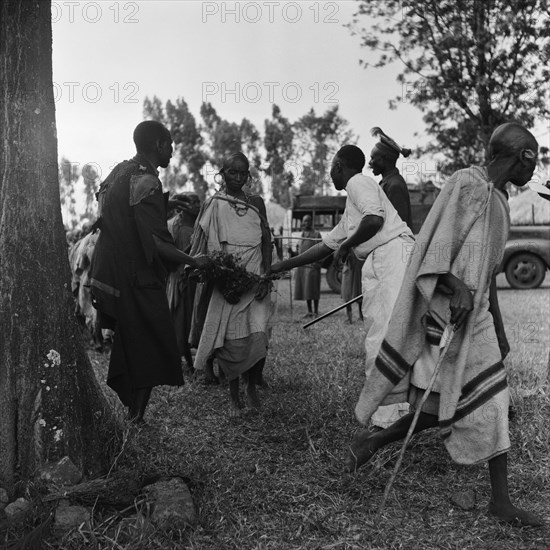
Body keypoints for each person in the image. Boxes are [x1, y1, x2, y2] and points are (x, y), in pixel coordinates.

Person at [348, 122, 542, 527]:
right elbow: (430, 248)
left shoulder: (500, 200)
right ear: (523, 155)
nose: (534, 171)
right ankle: (376, 439)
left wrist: (499, 329)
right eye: (535, 160)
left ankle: (499, 501)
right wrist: (455, 287)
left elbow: (486, 274)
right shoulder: (465, 184)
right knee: (443, 405)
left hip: (479, 317)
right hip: (447, 313)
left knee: (486, 401)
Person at [271, 145, 413, 429]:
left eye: (331, 168)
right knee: (383, 333)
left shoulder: (358, 182)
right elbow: (326, 245)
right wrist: (284, 266)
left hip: (392, 257)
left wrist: (347, 247)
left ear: (338, 166)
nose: (331, 174)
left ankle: (388, 417)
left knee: (385, 336)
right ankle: (395, 410)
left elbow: (375, 220)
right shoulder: (352, 204)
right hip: (382, 260)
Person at [89, 121, 209, 423]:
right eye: (169, 145)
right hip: (136, 277)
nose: (172, 151)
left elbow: (121, 215)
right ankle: (136, 416)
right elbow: (155, 242)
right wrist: (195, 261)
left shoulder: (119, 172)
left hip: (108, 272)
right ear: (158, 144)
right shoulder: (147, 183)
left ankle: (134, 412)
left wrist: (165, 205)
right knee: (152, 344)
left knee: (134, 341)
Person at [189, 152, 273, 415]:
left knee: (257, 334)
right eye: (232, 172)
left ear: (248, 175)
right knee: (231, 337)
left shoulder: (257, 202)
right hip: (228, 279)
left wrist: (265, 276)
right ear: (221, 173)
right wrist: (223, 280)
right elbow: (205, 248)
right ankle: (234, 393)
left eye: (243, 173)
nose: (238, 178)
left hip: (256, 276)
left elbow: (266, 241)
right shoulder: (213, 204)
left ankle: (251, 387)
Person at [166, 192, 201, 373]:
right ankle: (182, 358)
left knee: (193, 320)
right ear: (181, 206)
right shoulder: (173, 227)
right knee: (180, 320)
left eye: (198, 201)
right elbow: (167, 255)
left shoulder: (201, 225)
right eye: (193, 202)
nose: (197, 205)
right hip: (180, 279)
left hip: (198, 280)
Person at [369, 127, 413, 231]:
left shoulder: (395, 186)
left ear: (383, 159)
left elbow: (397, 226)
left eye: (373, 158)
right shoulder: (387, 183)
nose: (370, 163)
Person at [293, 214, 322, 318]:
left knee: (314, 288)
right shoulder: (302, 234)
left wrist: (318, 263)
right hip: (303, 266)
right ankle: (309, 311)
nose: (306, 223)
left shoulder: (316, 234)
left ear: (311, 222)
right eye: (304, 221)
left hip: (313, 265)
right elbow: (299, 250)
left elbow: (321, 249)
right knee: (306, 289)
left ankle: (316, 311)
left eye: (308, 221)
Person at [340, 252, 364, 324]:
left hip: (356, 267)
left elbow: (342, 258)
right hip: (354, 266)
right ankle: (355, 317)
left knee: (354, 292)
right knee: (357, 292)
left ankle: (358, 317)